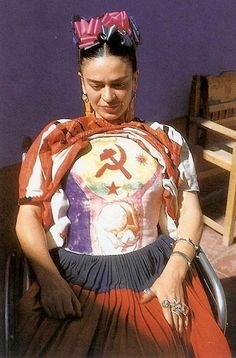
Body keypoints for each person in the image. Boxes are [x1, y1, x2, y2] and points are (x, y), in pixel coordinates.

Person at [15, 10, 231, 357]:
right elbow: (28, 216)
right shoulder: (56, 139)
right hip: (76, 276)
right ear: (81, 80)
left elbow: (190, 209)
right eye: (96, 85)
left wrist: (175, 272)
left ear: (137, 79)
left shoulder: (165, 140)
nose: (108, 97)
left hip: (157, 269)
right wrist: (49, 279)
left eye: (119, 84)